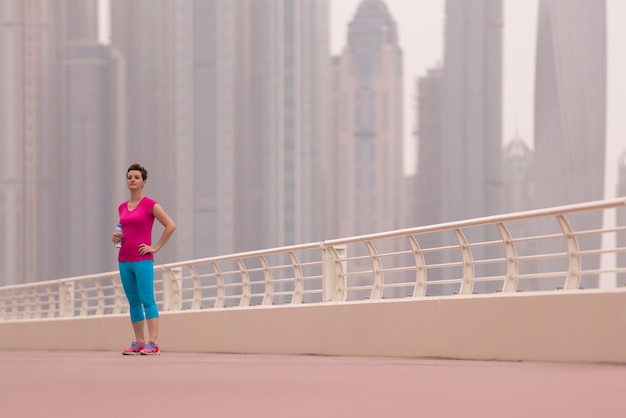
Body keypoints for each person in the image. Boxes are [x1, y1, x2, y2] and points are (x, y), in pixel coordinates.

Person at [112, 163, 176, 355]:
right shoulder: (122, 207)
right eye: (129, 177)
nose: (132, 179)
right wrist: (117, 237)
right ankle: (139, 342)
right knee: (133, 302)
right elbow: (124, 229)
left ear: (144, 182)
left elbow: (170, 225)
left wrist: (154, 247)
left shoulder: (150, 205)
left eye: (137, 177)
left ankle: (153, 342)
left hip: (143, 260)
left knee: (147, 299)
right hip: (124, 259)